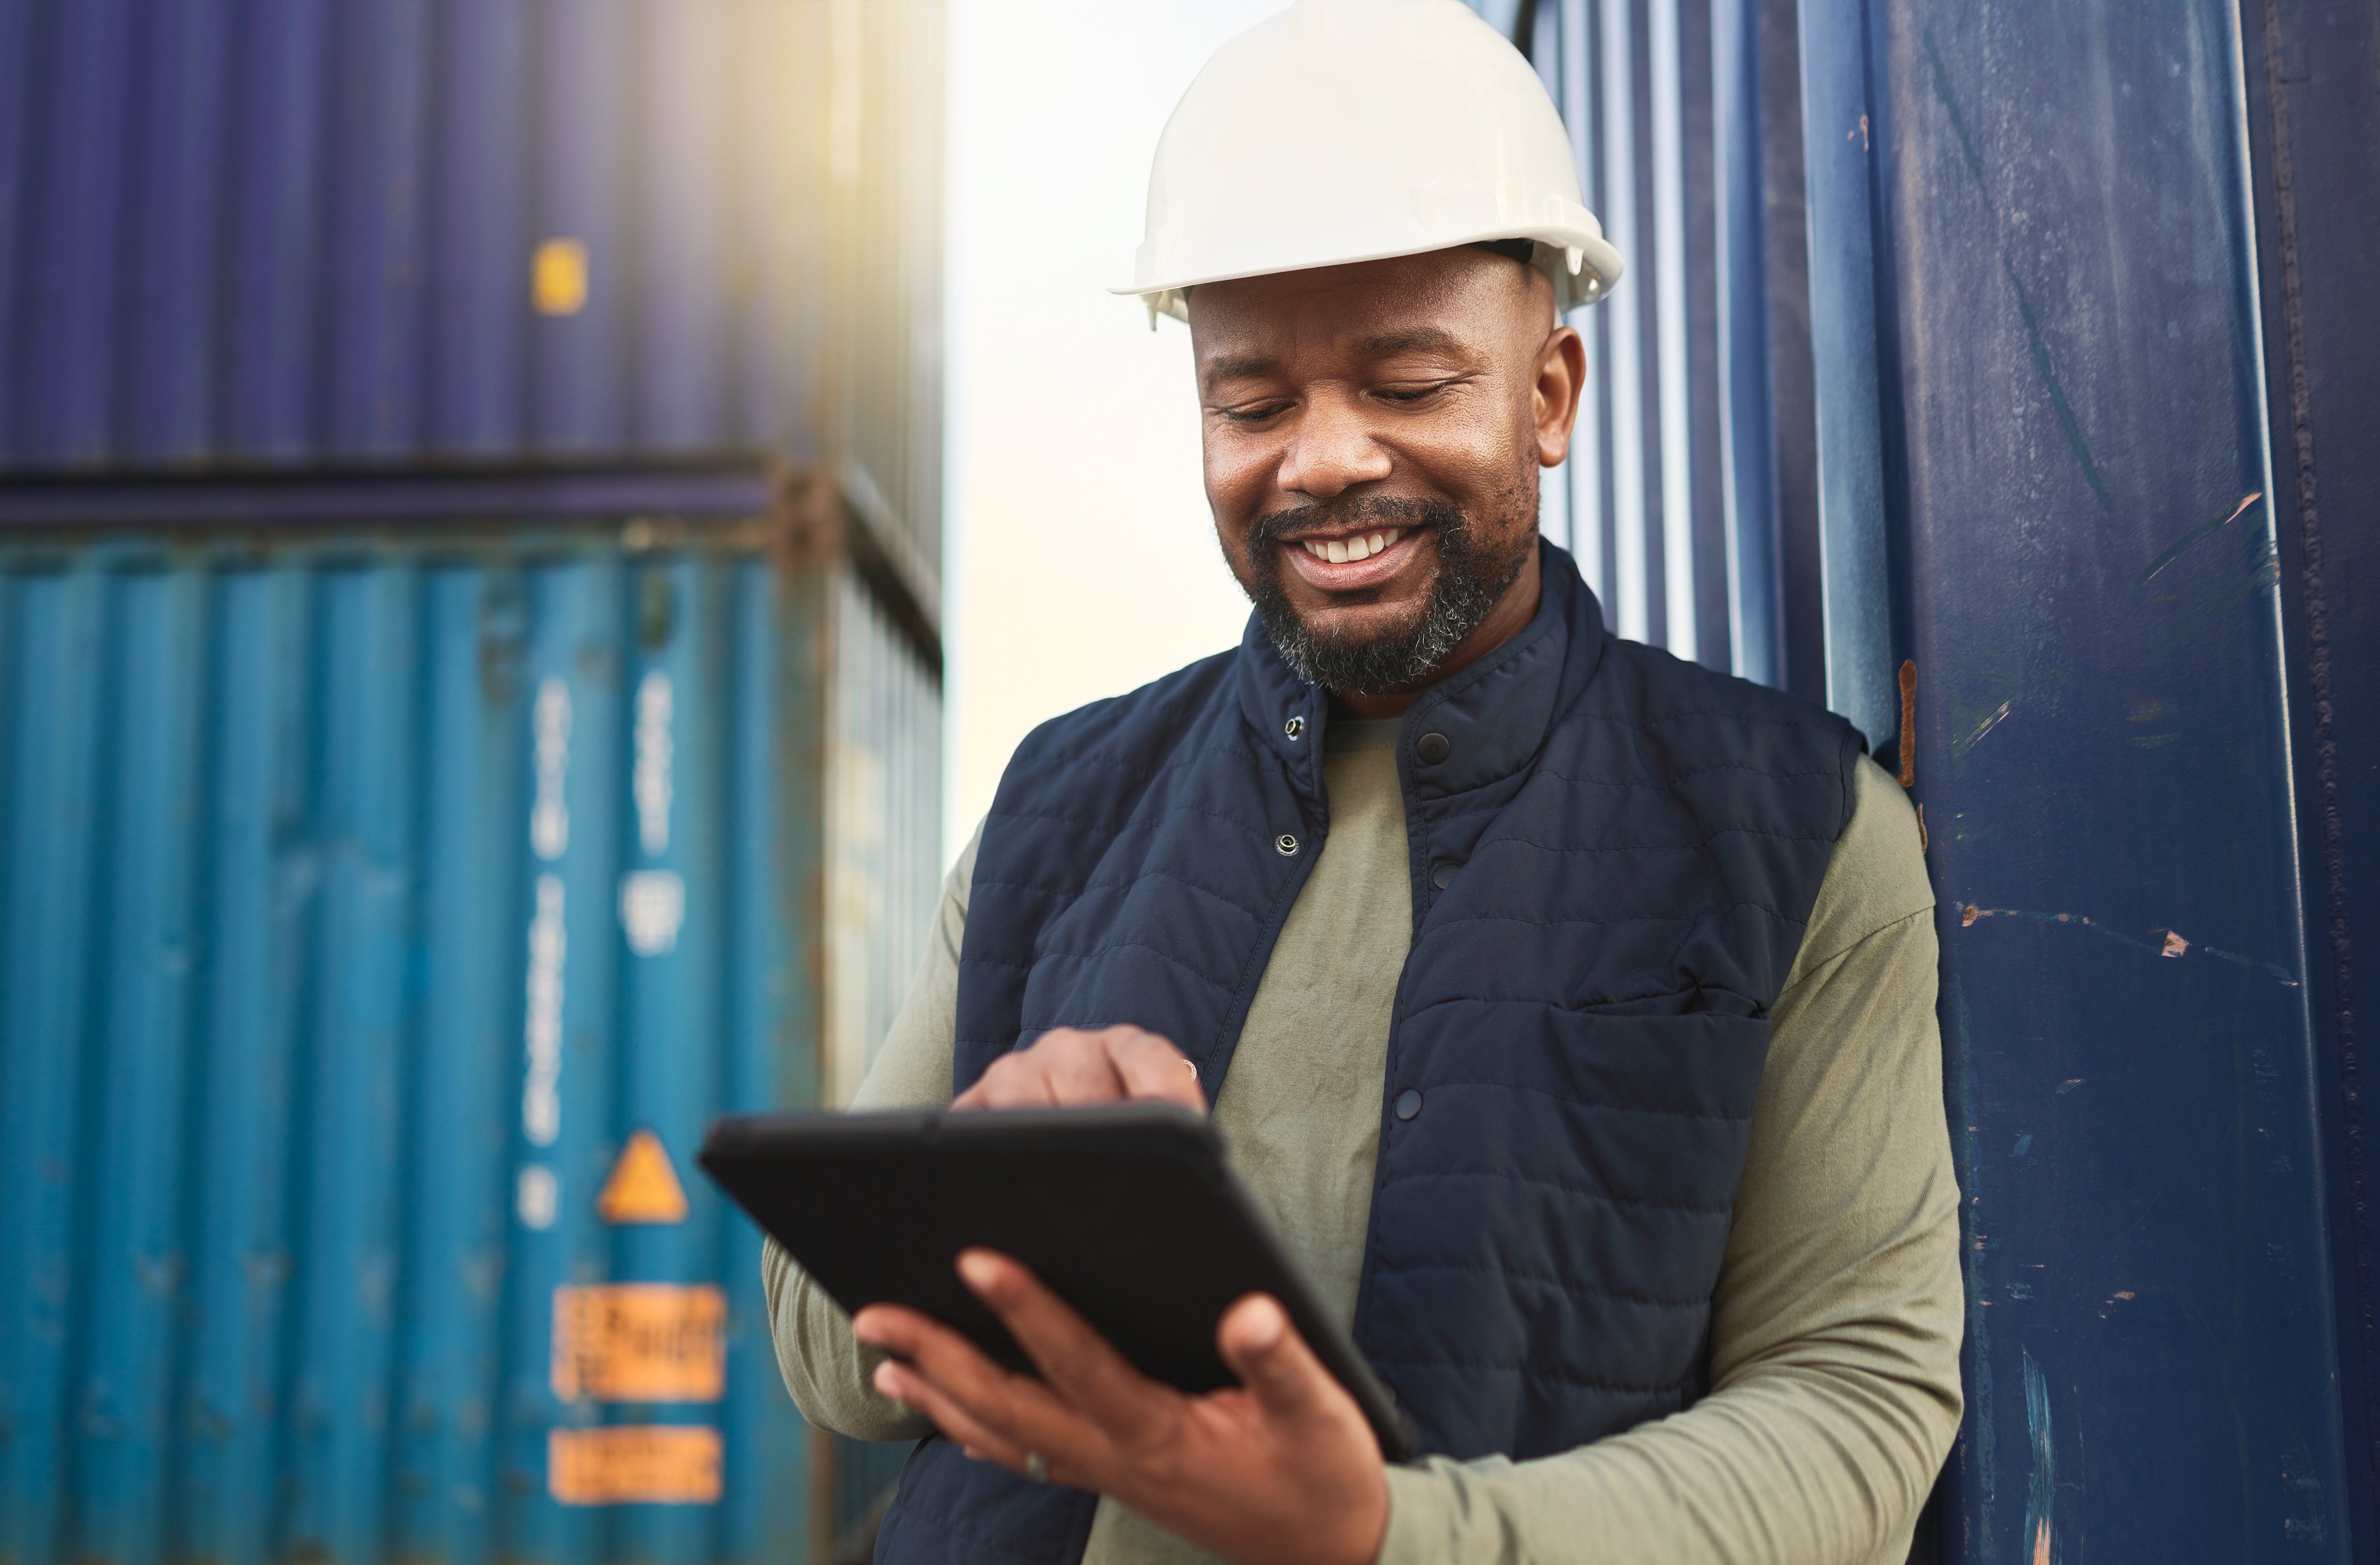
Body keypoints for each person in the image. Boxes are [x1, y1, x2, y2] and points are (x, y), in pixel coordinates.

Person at [767, 1, 1963, 1560]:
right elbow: (821, 1356)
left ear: (1548, 397)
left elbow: (1858, 1405)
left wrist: (1385, 1537)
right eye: (1252, 403)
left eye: (1406, 383)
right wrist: (984, 1186)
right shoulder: (1058, 810)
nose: (1321, 460)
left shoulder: (1795, 836)